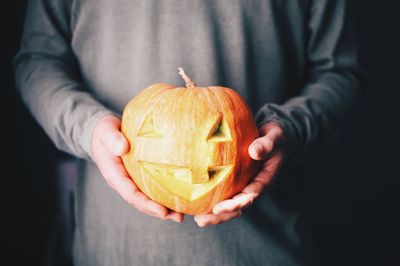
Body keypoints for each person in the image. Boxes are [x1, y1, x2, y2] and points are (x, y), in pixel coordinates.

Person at [14, 0, 363, 265]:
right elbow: (37, 60)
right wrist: (87, 128)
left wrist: (290, 128)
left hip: (265, 249)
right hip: (114, 249)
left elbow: (339, 73)